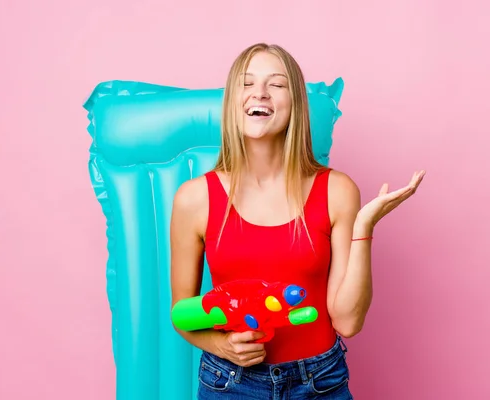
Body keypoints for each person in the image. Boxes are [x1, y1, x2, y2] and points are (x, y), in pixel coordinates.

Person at [170, 42, 425, 399]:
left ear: (295, 104)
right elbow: (181, 312)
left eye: (276, 84)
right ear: (232, 103)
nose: (259, 92)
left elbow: (348, 322)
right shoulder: (194, 198)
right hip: (231, 384)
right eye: (247, 83)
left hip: (320, 382)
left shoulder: (337, 191)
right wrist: (222, 346)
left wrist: (363, 229)